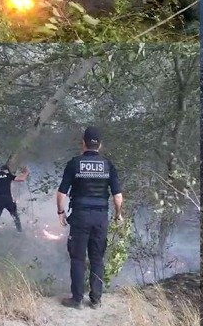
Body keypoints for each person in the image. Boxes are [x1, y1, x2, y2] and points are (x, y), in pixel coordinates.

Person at [57, 127, 124, 310]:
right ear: (99, 145)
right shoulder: (108, 165)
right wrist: (118, 215)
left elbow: (61, 193)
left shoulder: (74, 163)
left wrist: (60, 213)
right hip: (100, 218)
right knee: (97, 258)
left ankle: (77, 300)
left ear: (83, 143)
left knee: (78, 258)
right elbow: (117, 197)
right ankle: (95, 300)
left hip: (79, 217)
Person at [0, 164, 28, 232]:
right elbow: (21, 179)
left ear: (1, 170)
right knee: (15, 216)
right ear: (7, 170)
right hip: (8, 200)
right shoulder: (8, 175)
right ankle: (19, 231)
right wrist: (26, 172)